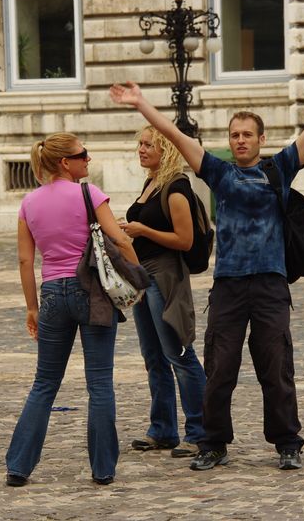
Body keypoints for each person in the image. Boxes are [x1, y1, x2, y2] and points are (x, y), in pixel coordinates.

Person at [109, 45, 304, 471]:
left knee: (276, 366)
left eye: (247, 135)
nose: (240, 140)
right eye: (235, 135)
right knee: (220, 368)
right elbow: (175, 136)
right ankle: (213, 443)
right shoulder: (219, 172)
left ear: (261, 139)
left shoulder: (280, 168)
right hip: (229, 286)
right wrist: (142, 103)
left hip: (270, 283)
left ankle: (287, 443)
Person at [4, 132, 139, 487]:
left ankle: (18, 466)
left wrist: (31, 308)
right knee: (100, 383)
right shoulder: (89, 194)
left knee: (45, 383)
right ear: (65, 162)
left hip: (52, 293)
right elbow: (119, 238)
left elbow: (25, 260)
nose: (88, 159)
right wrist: (137, 278)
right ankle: (103, 469)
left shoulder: (29, 203)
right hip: (91, 291)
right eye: (83, 154)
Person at [120, 125, 207, 458]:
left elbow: (184, 240)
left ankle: (200, 431)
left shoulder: (176, 188)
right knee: (153, 357)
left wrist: (143, 230)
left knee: (178, 353)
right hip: (142, 276)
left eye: (149, 145)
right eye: (140, 144)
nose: (141, 149)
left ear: (167, 149)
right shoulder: (152, 182)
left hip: (165, 275)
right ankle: (162, 429)